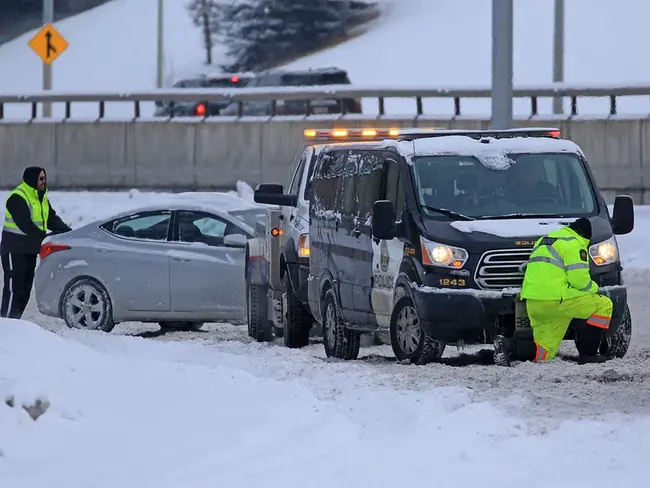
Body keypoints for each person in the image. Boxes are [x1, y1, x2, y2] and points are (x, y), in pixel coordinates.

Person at [521, 217, 612, 364]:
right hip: (558, 300)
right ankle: (589, 354)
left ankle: (506, 347)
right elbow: (579, 280)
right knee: (604, 304)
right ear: (585, 235)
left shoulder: (544, 240)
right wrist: (595, 289)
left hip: (534, 302)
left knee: (543, 353)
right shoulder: (574, 243)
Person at [1, 167, 71, 319]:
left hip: (30, 251)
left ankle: (15, 322)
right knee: (14, 289)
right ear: (32, 179)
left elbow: (52, 219)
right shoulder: (17, 198)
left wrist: (70, 233)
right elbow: (25, 224)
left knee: (25, 290)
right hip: (14, 251)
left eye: (45, 178)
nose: (44, 181)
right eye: (40, 178)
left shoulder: (42, 197)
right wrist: (44, 237)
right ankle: (5, 323)